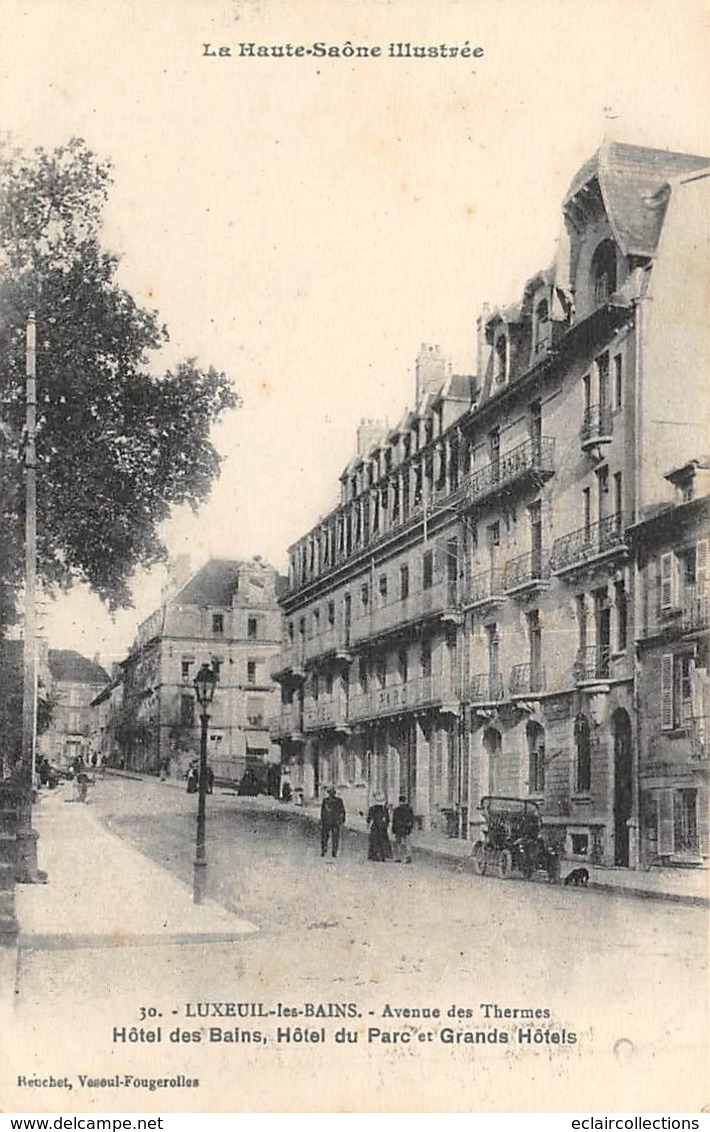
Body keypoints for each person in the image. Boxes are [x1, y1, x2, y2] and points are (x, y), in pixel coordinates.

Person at [320, 786, 346, 858]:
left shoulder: (336, 801)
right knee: (331, 837)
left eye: (332, 793)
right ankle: (328, 850)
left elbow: (342, 811)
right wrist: (343, 819)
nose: (331, 794)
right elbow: (323, 812)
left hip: (331, 822)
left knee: (329, 837)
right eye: (330, 793)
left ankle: (328, 850)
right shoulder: (327, 800)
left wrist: (343, 819)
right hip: (331, 821)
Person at [367, 794, 392, 861]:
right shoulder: (385, 809)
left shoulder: (372, 808)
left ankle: (374, 855)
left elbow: (369, 818)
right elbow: (388, 819)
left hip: (375, 827)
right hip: (382, 828)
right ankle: (383, 855)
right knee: (383, 842)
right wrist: (386, 826)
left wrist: (368, 825)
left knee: (374, 842)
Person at [392, 795, 415, 863]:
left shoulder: (396, 810)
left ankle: (398, 857)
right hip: (406, 828)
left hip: (398, 829)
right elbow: (412, 819)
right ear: (405, 801)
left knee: (398, 843)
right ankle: (408, 856)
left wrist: (393, 829)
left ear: (399, 801)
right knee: (407, 843)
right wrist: (410, 828)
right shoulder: (409, 809)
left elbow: (394, 820)